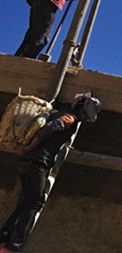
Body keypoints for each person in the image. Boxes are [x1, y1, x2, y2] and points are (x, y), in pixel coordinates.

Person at [0, 93, 101, 252]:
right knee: (36, 202)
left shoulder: (59, 112)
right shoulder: (70, 119)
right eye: (86, 114)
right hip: (37, 163)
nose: (86, 118)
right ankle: (15, 246)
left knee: (26, 201)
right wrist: (31, 146)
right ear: (81, 108)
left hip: (25, 162)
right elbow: (50, 128)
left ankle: (3, 238)